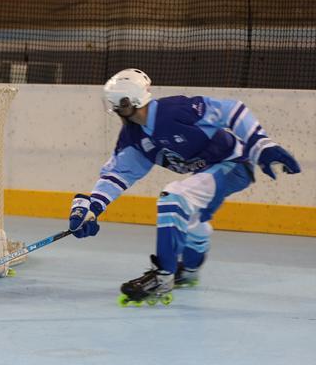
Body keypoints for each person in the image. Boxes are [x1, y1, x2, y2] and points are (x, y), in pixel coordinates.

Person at [68, 68, 301, 306]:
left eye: (118, 104)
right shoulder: (134, 136)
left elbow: (232, 110)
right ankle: (189, 271)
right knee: (193, 220)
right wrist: (93, 207)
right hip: (207, 172)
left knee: (174, 198)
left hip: (233, 165)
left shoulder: (175, 111)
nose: (115, 110)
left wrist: (261, 144)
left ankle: (163, 276)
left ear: (130, 100)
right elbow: (118, 174)